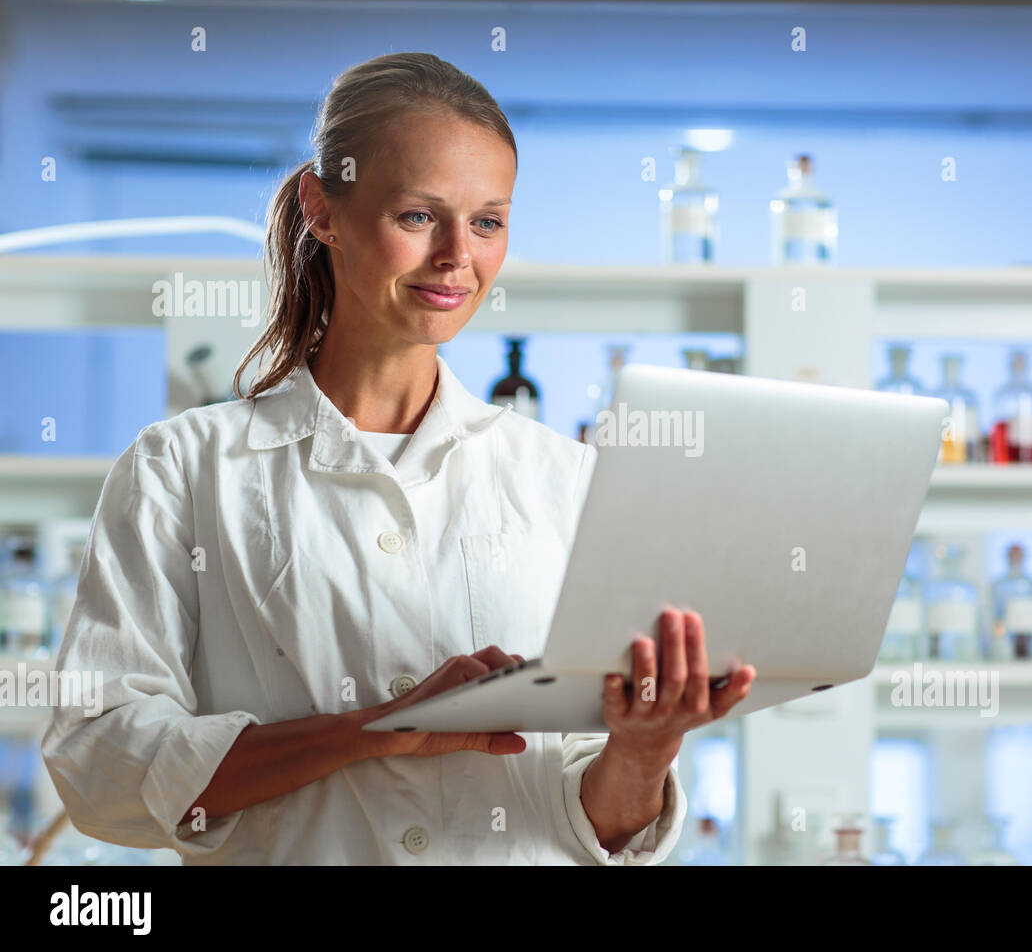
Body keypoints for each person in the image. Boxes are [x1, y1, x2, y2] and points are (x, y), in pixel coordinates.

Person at [41, 52, 754, 865]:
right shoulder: (184, 469)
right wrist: (373, 732)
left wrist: (644, 751)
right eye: (420, 215)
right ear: (322, 208)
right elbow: (98, 765)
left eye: (488, 221)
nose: (459, 255)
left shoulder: (566, 480)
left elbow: (592, 819)